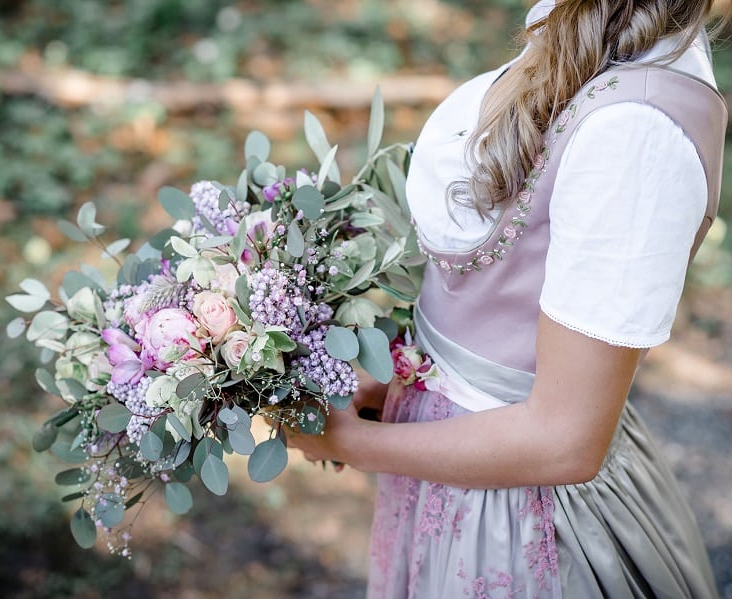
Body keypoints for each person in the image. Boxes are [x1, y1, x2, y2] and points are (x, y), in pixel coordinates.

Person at [288, 0, 727, 597]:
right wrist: (405, 370)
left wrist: (350, 442)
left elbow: (564, 440)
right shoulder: (579, 25)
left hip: (521, 521)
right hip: (453, 461)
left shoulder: (637, 135)